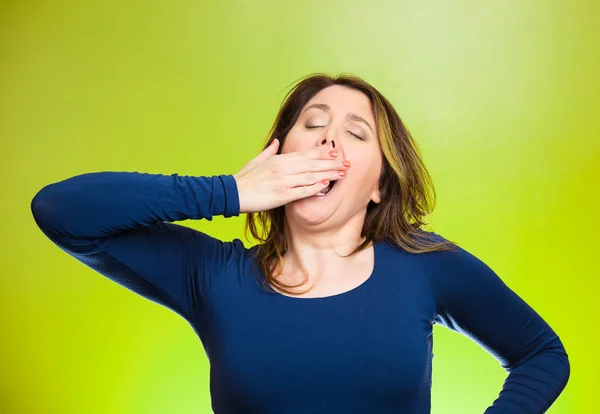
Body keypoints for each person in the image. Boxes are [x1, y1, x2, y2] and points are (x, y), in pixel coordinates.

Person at [31, 73, 570, 413]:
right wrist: (230, 191)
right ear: (281, 152)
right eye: (313, 125)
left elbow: (543, 355)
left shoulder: (427, 267)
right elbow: (62, 211)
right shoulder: (214, 275)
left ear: (380, 185)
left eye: (357, 134)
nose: (329, 137)